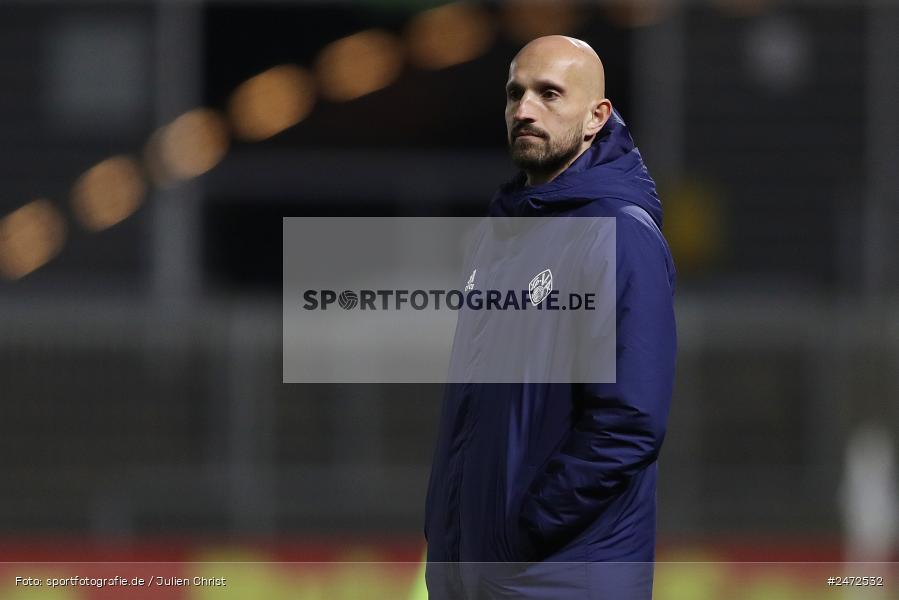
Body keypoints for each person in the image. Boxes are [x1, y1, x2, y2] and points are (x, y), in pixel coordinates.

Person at [424, 36, 677, 599]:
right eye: (515, 94)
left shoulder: (621, 234)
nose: (525, 109)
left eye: (549, 94)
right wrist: (451, 536)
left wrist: (524, 533)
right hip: (483, 572)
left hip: (557, 577)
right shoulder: (498, 238)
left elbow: (629, 421)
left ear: (596, 117)